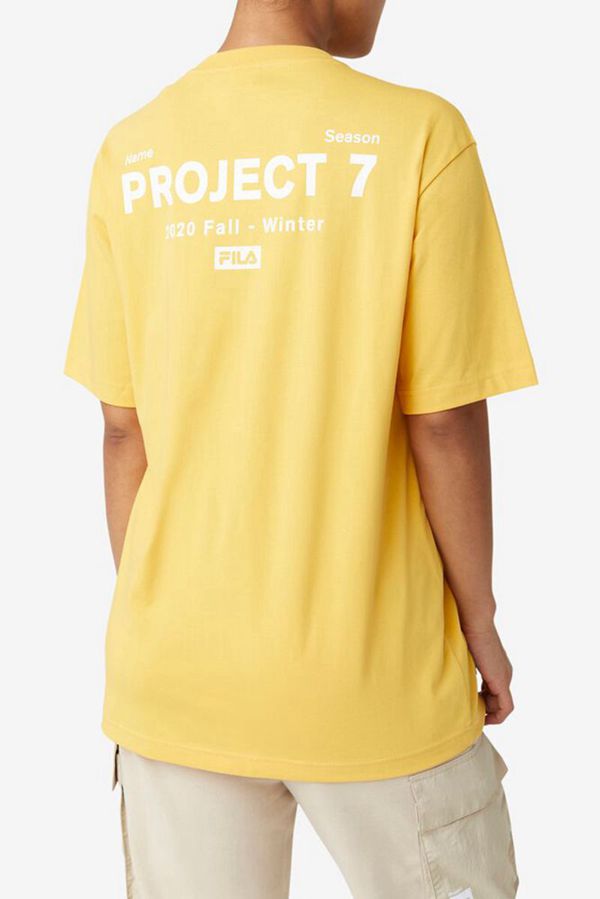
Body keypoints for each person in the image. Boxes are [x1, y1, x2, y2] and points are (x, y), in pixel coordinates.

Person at [64, 0, 537, 896]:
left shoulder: (133, 151)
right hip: (378, 673)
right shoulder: (419, 136)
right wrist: (479, 623)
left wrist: (173, 620)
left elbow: (124, 429)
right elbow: (443, 422)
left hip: (176, 677)